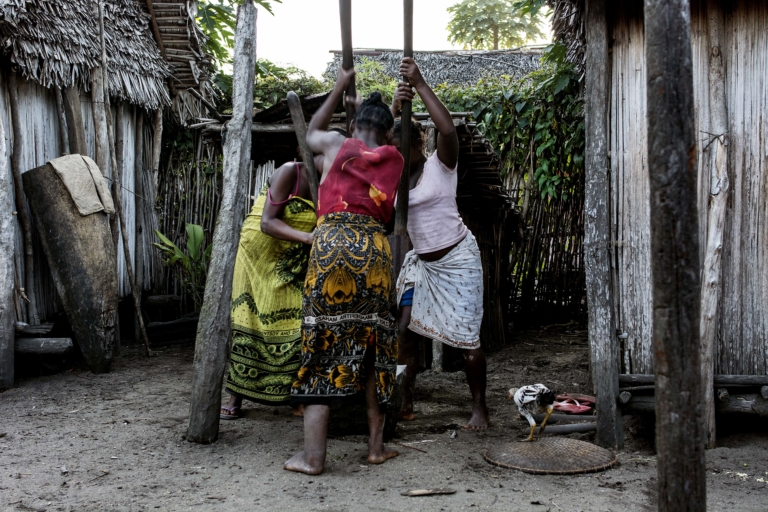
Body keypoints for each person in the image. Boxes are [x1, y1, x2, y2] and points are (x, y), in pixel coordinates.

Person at [285, 66, 403, 475]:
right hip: (374, 251)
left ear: (352, 126)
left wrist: (337, 88)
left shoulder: (337, 143)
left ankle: (313, 458)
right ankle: (376, 448)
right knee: (373, 346)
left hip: (332, 245)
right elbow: (379, 140)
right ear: (388, 133)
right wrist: (391, 113)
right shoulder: (393, 158)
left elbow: (310, 134)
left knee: (322, 343)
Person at [391, 57, 489, 430]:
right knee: (404, 329)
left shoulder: (440, 165)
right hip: (422, 265)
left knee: (466, 341)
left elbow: (447, 129)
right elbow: (364, 142)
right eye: (391, 145)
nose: (396, 151)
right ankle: (405, 400)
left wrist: (418, 83)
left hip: (458, 260)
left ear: (418, 141)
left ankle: (479, 408)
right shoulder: (392, 175)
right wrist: (393, 107)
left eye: (401, 143)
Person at [221, 156, 322, 420]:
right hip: (257, 256)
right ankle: (236, 396)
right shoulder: (290, 171)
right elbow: (267, 222)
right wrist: (308, 238)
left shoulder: (332, 183)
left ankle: (294, 396)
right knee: (250, 320)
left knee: (298, 323)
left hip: (291, 259)